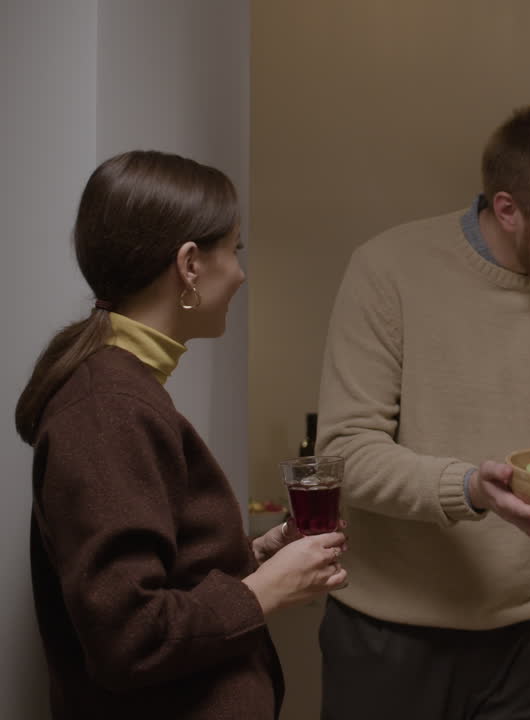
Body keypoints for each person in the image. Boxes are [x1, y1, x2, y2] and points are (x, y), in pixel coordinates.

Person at [316, 104, 530, 719]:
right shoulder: (388, 270)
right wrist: (471, 488)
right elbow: (345, 453)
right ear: (508, 209)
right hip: (390, 637)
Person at [15, 150, 348, 720]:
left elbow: (158, 575)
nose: (242, 273)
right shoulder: (106, 409)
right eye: (235, 250)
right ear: (190, 264)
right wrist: (265, 591)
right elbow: (129, 636)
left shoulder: (124, 389)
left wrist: (252, 558)